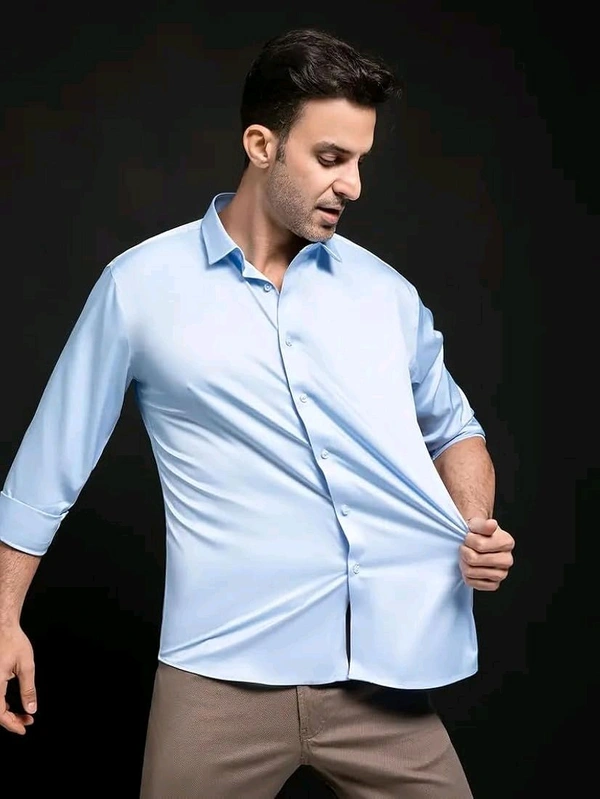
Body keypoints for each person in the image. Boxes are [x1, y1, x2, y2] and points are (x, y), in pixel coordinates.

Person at [0, 27, 515, 798]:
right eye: (331, 158)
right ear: (261, 145)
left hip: (379, 680)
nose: (353, 185)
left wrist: (474, 522)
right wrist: (3, 617)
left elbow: (457, 429)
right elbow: (48, 468)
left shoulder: (387, 296)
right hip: (216, 679)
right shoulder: (138, 287)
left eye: (361, 161)